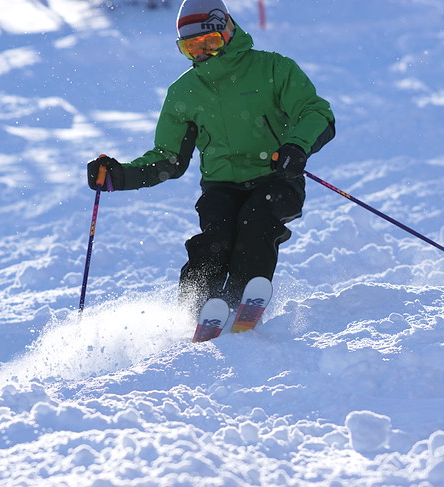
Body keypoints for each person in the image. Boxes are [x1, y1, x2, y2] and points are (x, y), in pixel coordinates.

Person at [87, 0, 335, 315]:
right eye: (192, 48)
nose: (203, 53)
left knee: (256, 222)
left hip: (276, 176)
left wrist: (297, 147)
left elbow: (315, 111)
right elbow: (168, 158)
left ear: (227, 30)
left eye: (210, 42)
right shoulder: (184, 92)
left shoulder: (273, 68)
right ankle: (196, 310)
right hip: (222, 185)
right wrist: (119, 175)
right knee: (214, 240)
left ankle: (242, 298)